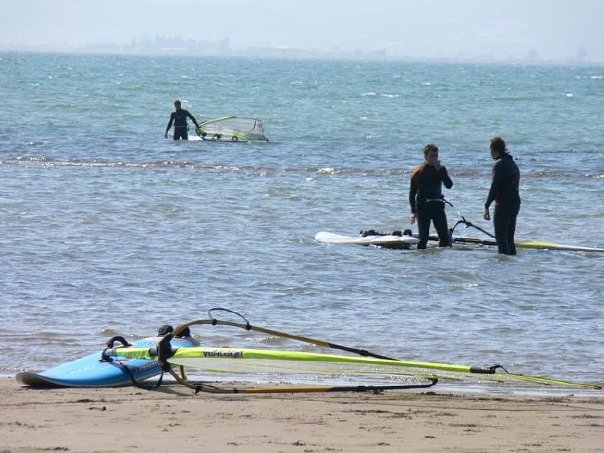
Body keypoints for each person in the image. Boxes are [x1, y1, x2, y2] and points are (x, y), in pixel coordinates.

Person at [409, 144, 453, 249]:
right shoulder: (419, 171)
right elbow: (412, 193)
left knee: (444, 238)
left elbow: (449, 185)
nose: (435, 158)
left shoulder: (441, 169)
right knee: (423, 239)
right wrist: (413, 211)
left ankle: (441, 263)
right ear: (426, 157)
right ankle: (422, 262)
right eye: (432, 156)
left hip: (438, 205)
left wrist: (440, 170)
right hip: (423, 207)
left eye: (436, 156)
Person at [483, 136, 521, 255]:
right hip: (515, 204)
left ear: (494, 149)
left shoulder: (499, 164)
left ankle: (503, 266)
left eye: (490, 150)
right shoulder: (513, 163)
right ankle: (512, 263)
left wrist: (487, 205)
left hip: (503, 205)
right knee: (510, 238)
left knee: (501, 238)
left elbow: (495, 186)